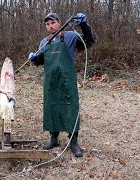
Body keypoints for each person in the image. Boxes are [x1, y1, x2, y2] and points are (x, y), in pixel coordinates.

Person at [28, 12, 95, 157]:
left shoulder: (70, 36)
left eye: (52, 22)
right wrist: (34, 59)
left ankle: (73, 141)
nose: (50, 26)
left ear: (58, 22)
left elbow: (89, 41)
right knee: (51, 107)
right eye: (47, 24)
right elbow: (40, 61)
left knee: (71, 107)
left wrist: (84, 25)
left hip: (67, 80)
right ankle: (54, 138)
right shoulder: (44, 42)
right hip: (51, 82)